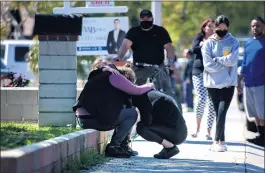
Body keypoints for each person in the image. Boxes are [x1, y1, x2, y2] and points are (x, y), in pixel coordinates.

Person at [73, 64, 154, 158]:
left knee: (123, 110)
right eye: (130, 81)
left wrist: (104, 67)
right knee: (132, 113)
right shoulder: (116, 76)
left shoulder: (102, 75)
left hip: (83, 120)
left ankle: (123, 145)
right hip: (94, 120)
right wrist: (149, 85)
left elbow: (100, 66)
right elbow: (135, 90)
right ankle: (114, 146)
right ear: (127, 77)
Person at [117, 9, 182, 112]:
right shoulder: (134, 31)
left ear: (152, 18)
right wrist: (119, 58)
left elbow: (169, 48)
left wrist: (171, 62)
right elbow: (124, 46)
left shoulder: (160, 31)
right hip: (139, 68)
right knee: (134, 92)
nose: (145, 19)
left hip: (158, 67)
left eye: (148, 17)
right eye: (143, 17)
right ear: (140, 19)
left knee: (167, 91)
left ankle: (176, 114)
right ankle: (131, 114)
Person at [201, 15, 239, 152]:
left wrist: (217, 59)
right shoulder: (208, 44)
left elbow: (233, 60)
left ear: (227, 28)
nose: (222, 31)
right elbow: (207, 64)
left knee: (222, 112)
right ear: (215, 27)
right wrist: (224, 63)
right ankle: (222, 141)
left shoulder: (233, 41)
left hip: (228, 83)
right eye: (219, 28)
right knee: (218, 113)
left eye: (225, 29)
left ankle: (216, 141)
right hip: (212, 84)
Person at [132, 90, 187, 159]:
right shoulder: (153, 93)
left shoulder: (144, 99)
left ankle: (170, 147)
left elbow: (147, 121)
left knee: (141, 129)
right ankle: (167, 148)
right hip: (180, 131)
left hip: (176, 133)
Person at [238, 17, 264, 147]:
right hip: (248, 83)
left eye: (258, 26)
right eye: (253, 26)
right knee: (254, 113)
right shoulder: (248, 43)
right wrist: (239, 81)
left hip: (261, 83)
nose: (255, 28)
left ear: (263, 26)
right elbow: (244, 63)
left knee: (262, 112)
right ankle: (260, 136)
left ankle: (263, 137)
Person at [191, 19, 216, 140]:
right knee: (201, 98)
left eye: (213, 26)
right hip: (198, 72)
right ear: (204, 28)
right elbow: (193, 49)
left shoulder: (217, 40)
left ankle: (209, 131)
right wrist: (203, 44)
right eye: (209, 26)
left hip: (212, 73)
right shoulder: (199, 37)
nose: (211, 28)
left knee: (211, 102)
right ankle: (197, 128)